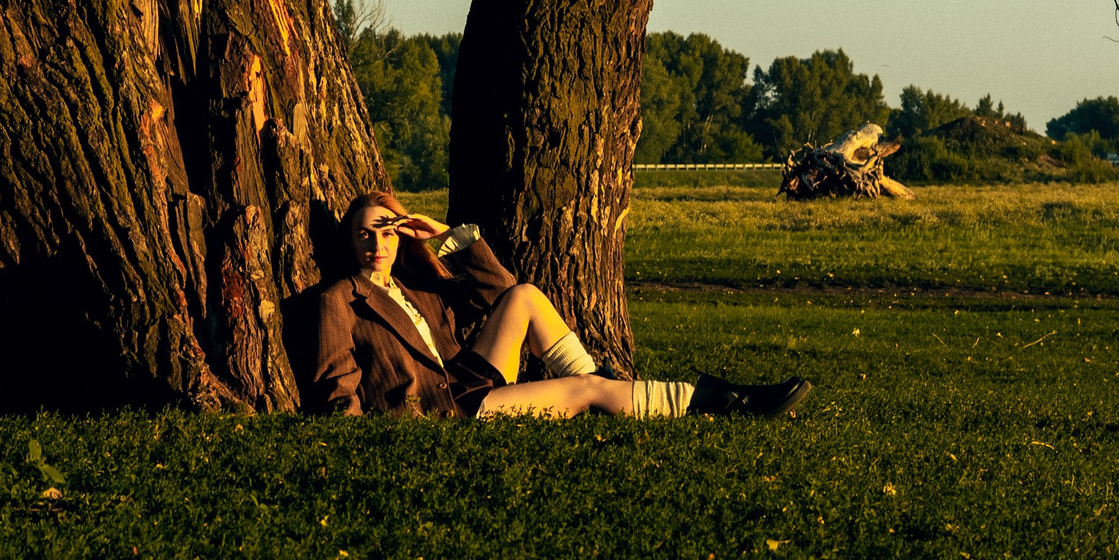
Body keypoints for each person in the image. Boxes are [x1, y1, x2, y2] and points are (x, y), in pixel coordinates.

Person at [300, 189, 811, 419]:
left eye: (386, 231)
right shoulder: (337, 300)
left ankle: (616, 392)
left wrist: (444, 237)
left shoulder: (416, 283)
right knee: (584, 389)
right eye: (365, 234)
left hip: (464, 377)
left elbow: (496, 289)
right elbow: (334, 381)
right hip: (442, 409)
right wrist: (358, 440)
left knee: (524, 296)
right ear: (350, 241)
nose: (377, 244)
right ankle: (721, 402)